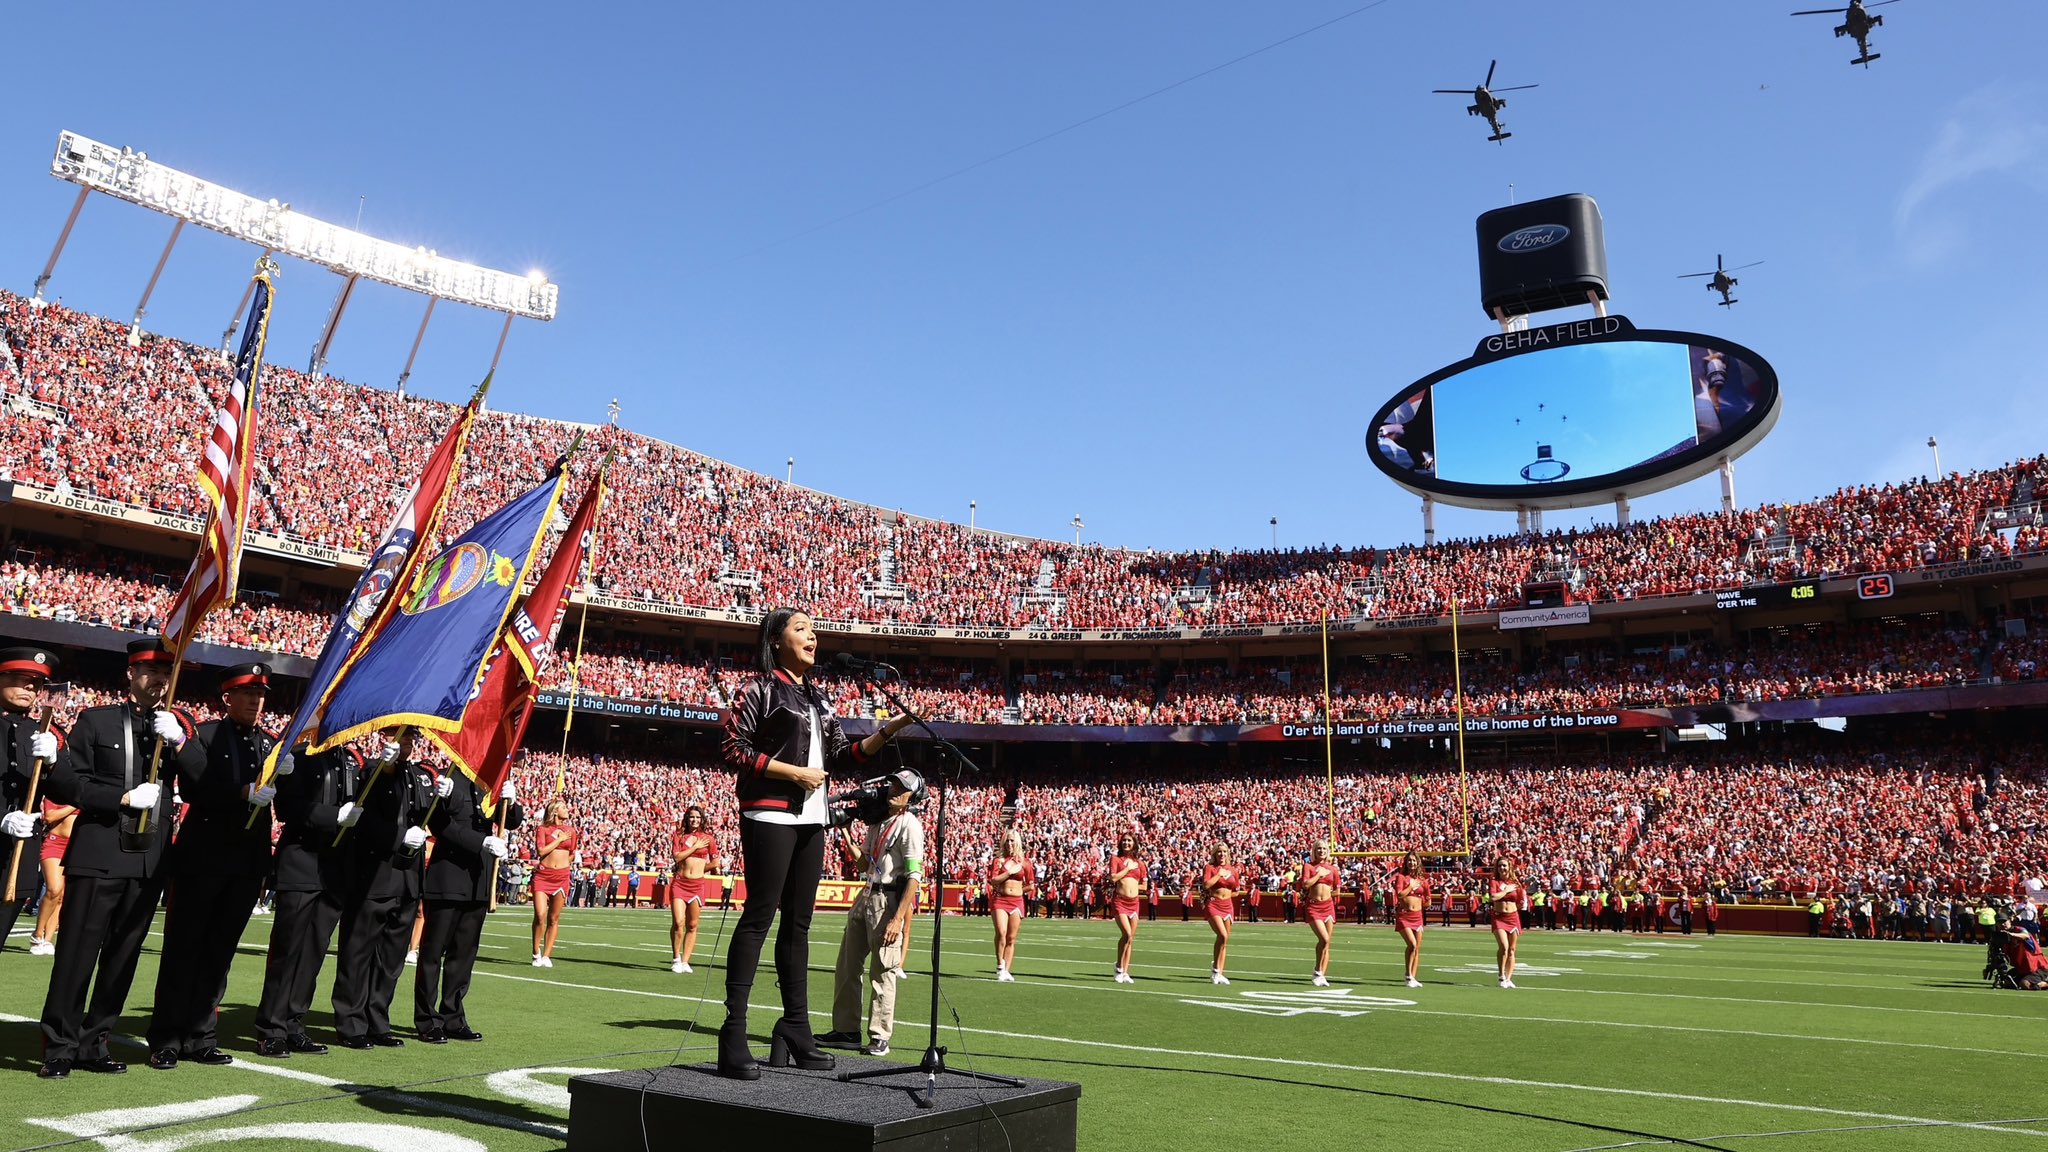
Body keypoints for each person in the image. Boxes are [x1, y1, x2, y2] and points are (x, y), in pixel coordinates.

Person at [715, 608, 912, 1079]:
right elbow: (732, 749)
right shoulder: (758, 688)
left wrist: (890, 729)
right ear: (776, 641)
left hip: (812, 815)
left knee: (799, 924)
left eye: (813, 630)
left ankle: (795, 1026)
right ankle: (734, 1031)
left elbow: (844, 754)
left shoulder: (820, 699)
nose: (813, 636)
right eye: (801, 628)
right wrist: (793, 773)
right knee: (760, 915)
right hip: (769, 811)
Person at [39, 638, 205, 1079]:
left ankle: (95, 1042)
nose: (158, 679)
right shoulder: (97, 721)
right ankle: (59, 1045)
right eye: (148, 670)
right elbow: (68, 785)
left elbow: (204, 786)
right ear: (129, 675)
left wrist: (182, 744)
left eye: (166, 672)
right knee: (76, 955)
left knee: (122, 960)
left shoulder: (177, 728)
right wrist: (123, 796)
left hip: (148, 860)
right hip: (99, 854)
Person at [146, 662, 279, 1069]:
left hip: (244, 862)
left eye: (261, 695)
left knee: (220, 952)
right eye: (247, 694)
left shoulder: (270, 744)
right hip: (203, 857)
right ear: (228, 698)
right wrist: (240, 792)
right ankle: (167, 1036)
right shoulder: (201, 736)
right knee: (184, 948)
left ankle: (201, 1036)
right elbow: (195, 788)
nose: (256, 701)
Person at [252, 740, 366, 1058]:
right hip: (301, 862)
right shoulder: (301, 755)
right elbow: (288, 808)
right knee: (287, 951)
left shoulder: (353, 758)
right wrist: (333, 816)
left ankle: (294, 1024)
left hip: (334, 869)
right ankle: (271, 1028)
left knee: (313, 954)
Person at [819, 769, 925, 1058]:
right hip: (866, 893)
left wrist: (897, 918)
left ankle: (880, 1036)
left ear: (911, 796)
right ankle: (846, 1029)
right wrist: (845, 831)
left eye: (900, 787)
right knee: (846, 965)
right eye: (892, 784)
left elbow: (915, 877)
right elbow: (865, 864)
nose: (892, 790)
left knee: (883, 971)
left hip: (887, 899)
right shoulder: (878, 821)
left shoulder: (910, 825)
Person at [416, 772, 522, 1043]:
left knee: (463, 956)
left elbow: (511, 821)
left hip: (477, 882)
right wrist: (481, 842)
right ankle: (428, 1020)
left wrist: (513, 801)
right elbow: (439, 824)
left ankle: (453, 1016)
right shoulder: (450, 778)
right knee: (433, 954)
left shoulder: (490, 783)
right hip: (448, 877)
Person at [0, 647, 61, 960]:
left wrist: (54, 762)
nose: (29, 688)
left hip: (16, 860)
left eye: (35, 683)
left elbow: (72, 791)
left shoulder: (46, 732)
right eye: (19, 679)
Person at [668, 805, 716, 973]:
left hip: (698, 885)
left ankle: (686, 961)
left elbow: (715, 863)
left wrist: (703, 867)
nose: (694, 820)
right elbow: (677, 857)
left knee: (693, 924)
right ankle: (676, 958)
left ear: (702, 819)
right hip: (680, 883)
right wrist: (695, 847)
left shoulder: (709, 839)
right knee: (679, 922)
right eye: (691, 817)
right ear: (687, 819)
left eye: (697, 817)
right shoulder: (679, 836)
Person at [530, 798, 577, 967]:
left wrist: (564, 863)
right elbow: (541, 851)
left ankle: (547, 955)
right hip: (543, 876)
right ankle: (536, 952)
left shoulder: (571, 830)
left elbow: (572, 852)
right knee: (540, 915)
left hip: (562, 877)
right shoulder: (543, 829)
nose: (567, 809)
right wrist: (559, 839)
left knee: (554, 918)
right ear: (555, 811)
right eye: (564, 807)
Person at [32, 795, 78, 955]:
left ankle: (48, 939)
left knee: (61, 896)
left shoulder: (83, 791)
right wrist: (76, 803)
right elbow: (50, 816)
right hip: (55, 843)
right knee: (53, 889)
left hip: (74, 848)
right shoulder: (56, 793)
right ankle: (37, 933)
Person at [986, 829, 1030, 981]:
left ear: (1017, 842)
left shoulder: (1024, 862)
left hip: (1017, 901)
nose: (1009, 843)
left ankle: (1006, 970)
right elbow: (993, 880)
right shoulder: (999, 861)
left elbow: (1031, 885)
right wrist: (1009, 872)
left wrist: (1018, 891)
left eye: (1012, 840)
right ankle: (1000, 965)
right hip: (1000, 899)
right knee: (1001, 932)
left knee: (1011, 938)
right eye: (1007, 841)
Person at [1299, 844, 1341, 987]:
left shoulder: (1333, 869)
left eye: (1324, 849)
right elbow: (1305, 884)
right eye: (1319, 849)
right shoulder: (1308, 866)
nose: (1321, 851)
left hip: (1328, 907)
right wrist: (1319, 875)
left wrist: (1328, 894)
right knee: (1324, 938)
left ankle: (1322, 975)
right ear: (1314, 851)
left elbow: (1337, 889)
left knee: (1327, 943)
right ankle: (1317, 970)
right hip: (1314, 906)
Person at [1202, 844, 1242, 985]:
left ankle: (1220, 973)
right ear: (1214, 854)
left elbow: (1236, 889)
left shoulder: (1233, 870)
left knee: (1225, 941)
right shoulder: (1210, 868)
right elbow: (1206, 885)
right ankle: (1215, 970)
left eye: (1224, 851)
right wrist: (1219, 874)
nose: (1222, 854)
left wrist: (1228, 894)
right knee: (1222, 935)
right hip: (1214, 904)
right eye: (1219, 852)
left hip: (1228, 906)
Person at [1393, 850, 1432, 990]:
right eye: (1409, 860)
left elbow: (1428, 900)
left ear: (1418, 862)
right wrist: (1411, 886)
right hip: (1404, 915)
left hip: (1418, 917)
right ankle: (1408, 975)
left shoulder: (1423, 880)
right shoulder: (1401, 877)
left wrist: (1423, 901)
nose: (1412, 863)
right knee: (1412, 944)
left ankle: (1412, 977)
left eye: (1414, 860)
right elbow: (1400, 894)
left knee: (1417, 948)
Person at [1109, 833, 1144, 984]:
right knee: (1127, 933)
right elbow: (1114, 878)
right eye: (1124, 840)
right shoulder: (1116, 859)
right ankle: (1118, 967)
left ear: (1134, 844)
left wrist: (1134, 885)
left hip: (1134, 903)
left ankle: (1125, 971)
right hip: (1120, 901)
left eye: (1129, 841)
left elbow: (1144, 885)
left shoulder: (1140, 863)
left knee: (1130, 939)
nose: (1126, 843)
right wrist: (1127, 869)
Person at [1488, 860, 1526, 989]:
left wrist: (1517, 903)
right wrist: (1506, 891)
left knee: (1512, 949)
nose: (1502, 868)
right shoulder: (1494, 882)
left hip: (1513, 917)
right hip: (1499, 917)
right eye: (1499, 865)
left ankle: (1509, 978)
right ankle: (1501, 975)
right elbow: (1493, 897)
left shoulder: (1516, 883)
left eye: (1504, 865)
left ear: (1509, 867)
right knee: (1504, 946)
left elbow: (1520, 901)